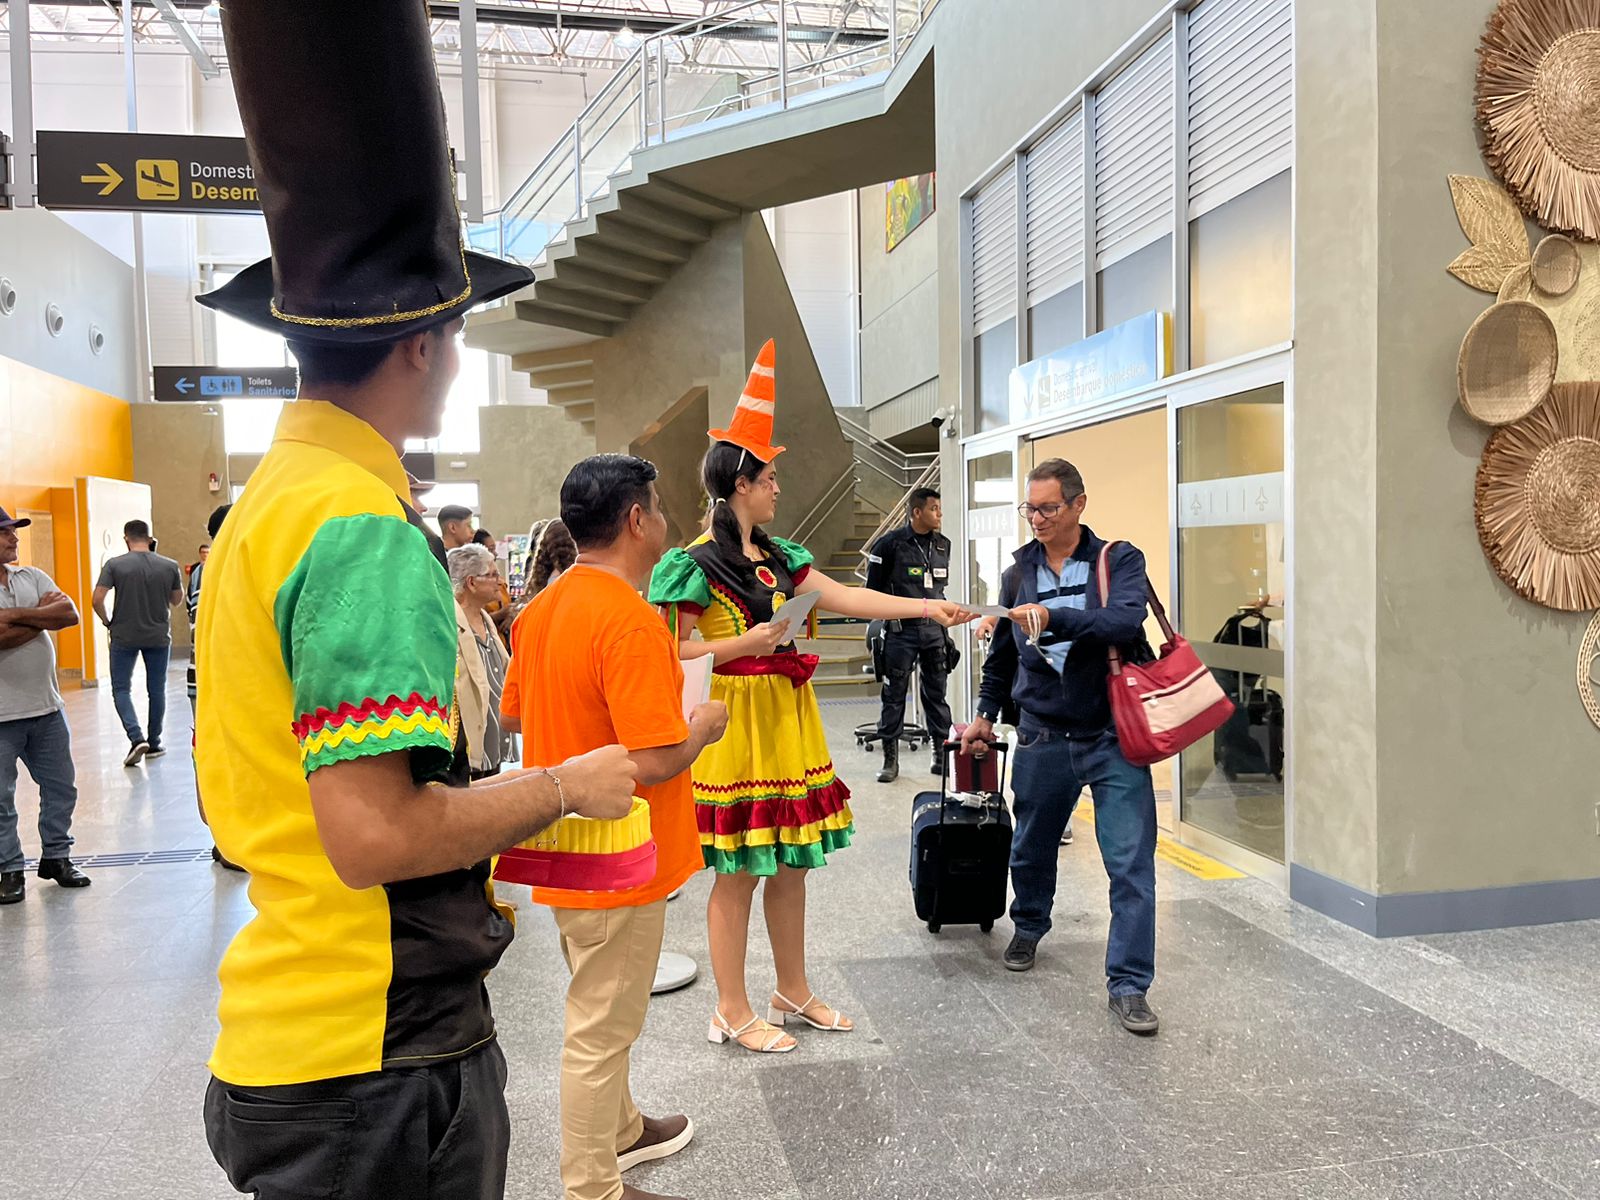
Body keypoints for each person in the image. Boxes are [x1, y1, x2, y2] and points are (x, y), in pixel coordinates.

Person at [190, 6, 637, 1198]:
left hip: (293, 1035)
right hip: (375, 1061)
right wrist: (559, 787)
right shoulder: (359, 526)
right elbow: (376, 833)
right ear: (425, 345)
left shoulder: (271, 503)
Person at [649, 340, 970, 1054]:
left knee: (792, 862)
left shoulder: (785, 558)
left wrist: (925, 610)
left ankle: (789, 988)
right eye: (769, 478)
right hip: (733, 729)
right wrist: (747, 645)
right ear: (739, 484)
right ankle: (729, 1008)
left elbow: (849, 594)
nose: (777, 489)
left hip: (788, 722)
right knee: (737, 873)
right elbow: (672, 652)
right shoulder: (691, 567)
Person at [501, 454, 729, 1200]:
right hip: (622, 849)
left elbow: (515, 711)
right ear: (637, 519)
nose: (665, 520)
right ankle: (592, 1185)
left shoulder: (541, 608)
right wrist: (701, 726)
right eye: (659, 508)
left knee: (598, 994)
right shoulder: (627, 616)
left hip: (565, 842)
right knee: (601, 1025)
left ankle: (623, 1130)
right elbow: (655, 760)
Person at [960, 457, 1161, 1036]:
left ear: (1078, 504)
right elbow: (1000, 654)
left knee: (1129, 863)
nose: (1038, 519)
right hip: (1043, 732)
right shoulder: (1019, 568)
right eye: (1031, 508)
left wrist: (1054, 617)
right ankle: (1029, 922)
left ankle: (1129, 984)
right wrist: (983, 716)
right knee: (1030, 845)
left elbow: (1122, 622)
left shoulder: (1116, 559)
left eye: (1049, 508)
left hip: (1110, 735)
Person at [0, 507, 90, 904]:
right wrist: (40, 619)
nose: (14, 539)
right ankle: (9, 869)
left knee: (61, 788)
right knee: (1, 799)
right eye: (5, 533)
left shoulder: (32, 576)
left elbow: (68, 614)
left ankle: (57, 856)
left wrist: (16, 616)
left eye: (14, 532)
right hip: (2, 717)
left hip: (47, 709)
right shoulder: (37, 585)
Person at [864, 486, 954, 782]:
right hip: (900, 632)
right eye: (933, 509)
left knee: (936, 695)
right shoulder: (889, 546)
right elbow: (872, 594)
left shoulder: (943, 545)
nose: (939, 514)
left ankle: (940, 755)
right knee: (894, 695)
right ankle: (891, 759)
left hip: (934, 632)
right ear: (917, 512)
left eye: (939, 508)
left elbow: (939, 590)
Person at [92, 518, 185, 767]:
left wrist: (107, 621)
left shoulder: (115, 565)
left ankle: (136, 738)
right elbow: (177, 600)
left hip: (124, 634)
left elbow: (97, 599)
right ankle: (154, 742)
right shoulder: (169, 565)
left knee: (121, 689)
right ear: (150, 538)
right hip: (158, 636)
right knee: (157, 689)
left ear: (126, 538)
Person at [187, 504, 242, 871]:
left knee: (211, 752)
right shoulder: (217, 569)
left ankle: (228, 839)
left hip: (207, 678)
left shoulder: (208, 570)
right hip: (219, 678)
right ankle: (225, 840)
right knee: (216, 754)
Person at [449, 543, 512, 780]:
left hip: (492, 742)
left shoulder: (485, 618)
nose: (500, 581)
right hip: (465, 749)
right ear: (471, 582)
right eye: (492, 574)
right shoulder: (449, 622)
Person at [185, 542, 210, 624]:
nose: (205, 554)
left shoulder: (213, 567)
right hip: (196, 599)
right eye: (203, 552)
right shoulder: (195, 568)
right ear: (200, 553)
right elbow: (191, 585)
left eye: (207, 552)